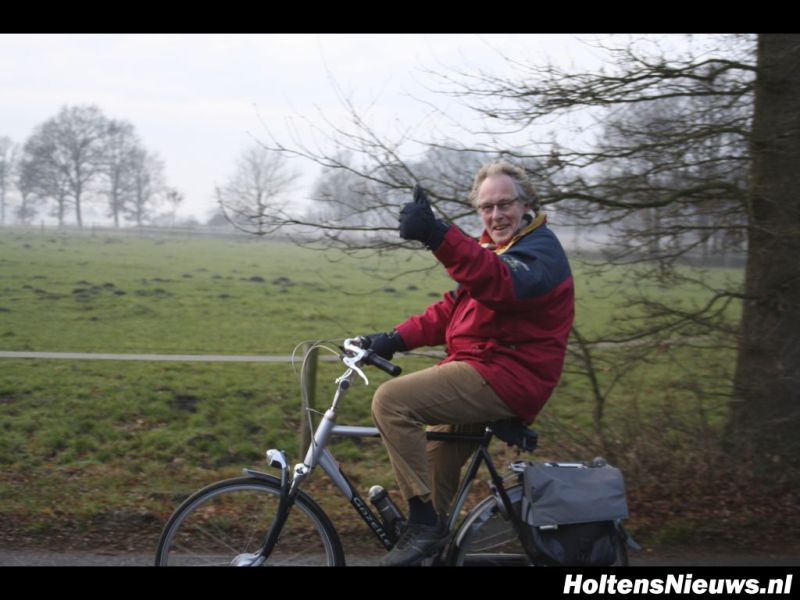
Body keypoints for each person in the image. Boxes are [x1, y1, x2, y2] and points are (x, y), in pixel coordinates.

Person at [363, 161, 574, 566]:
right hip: (483, 367)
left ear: (527, 205)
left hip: (507, 375)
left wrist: (438, 235)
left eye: (505, 204)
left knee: (391, 401)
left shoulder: (539, 252)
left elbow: (499, 283)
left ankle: (424, 525)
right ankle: (434, 544)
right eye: (487, 207)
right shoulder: (494, 251)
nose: (496, 215)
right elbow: (452, 310)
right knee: (438, 452)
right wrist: (391, 340)